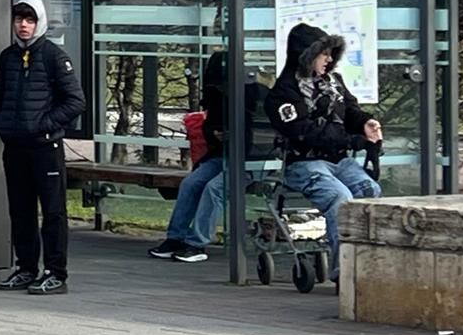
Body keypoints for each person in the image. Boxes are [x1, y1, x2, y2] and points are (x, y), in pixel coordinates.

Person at [265, 23, 383, 284]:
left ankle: (368, 267)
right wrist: (352, 140)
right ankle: (345, 274)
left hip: (338, 161)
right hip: (304, 164)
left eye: (332, 54)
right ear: (306, 55)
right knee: (340, 198)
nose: (329, 60)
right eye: (324, 54)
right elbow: (305, 131)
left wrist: (366, 123)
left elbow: (350, 111)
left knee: (370, 192)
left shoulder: (334, 83)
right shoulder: (283, 95)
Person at [0, 0, 86, 296]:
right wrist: (1, 123)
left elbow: (75, 101)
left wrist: (43, 125)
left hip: (45, 148)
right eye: (19, 20)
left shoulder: (54, 57)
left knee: (53, 212)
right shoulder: (8, 57)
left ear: (39, 22)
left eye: (29, 20)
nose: (23, 26)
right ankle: (26, 267)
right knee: (21, 210)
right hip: (15, 146)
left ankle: (56, 272)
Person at [148, 51, 258, 263]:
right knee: (191, 183)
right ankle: (175, 237)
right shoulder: (217, 97)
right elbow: (209, 126)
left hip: (250, 160)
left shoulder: (251, 97)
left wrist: (231, 137)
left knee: (214, 188)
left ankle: (197, 242)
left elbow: (257, 133)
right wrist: (217, 134)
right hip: (223, 155)